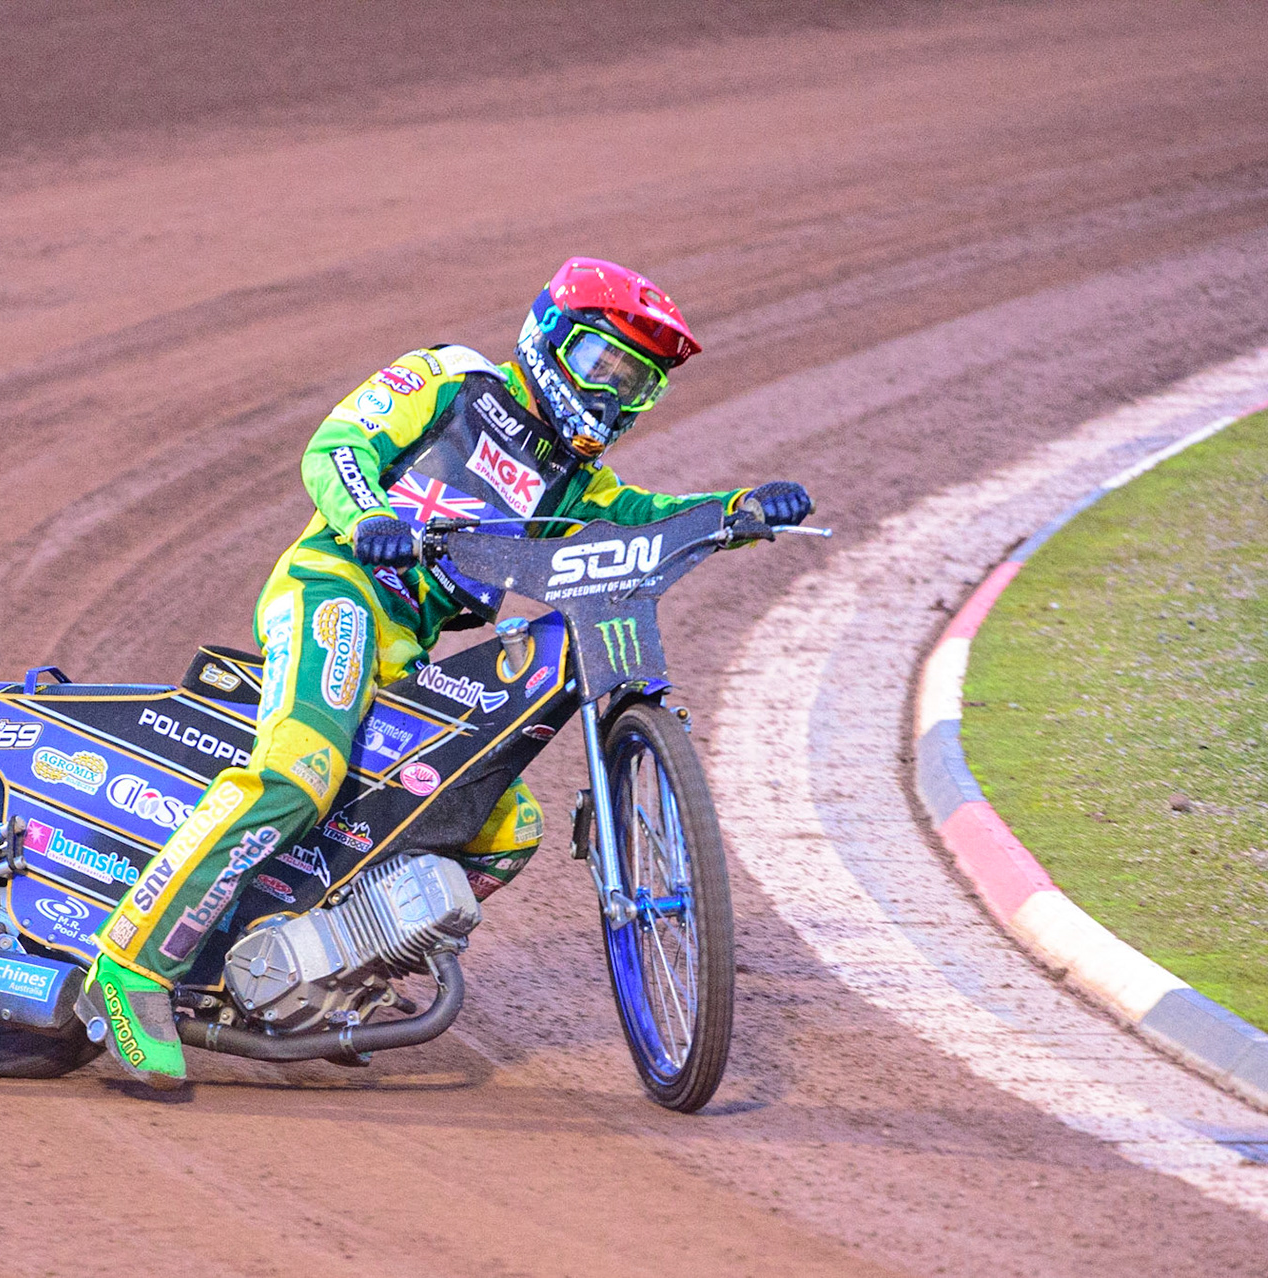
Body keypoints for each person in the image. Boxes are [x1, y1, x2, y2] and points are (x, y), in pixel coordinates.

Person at [75, 256, 813, 1087]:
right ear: (551, 340)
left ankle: (320, 965)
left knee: (505, 829)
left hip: (411, 656)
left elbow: (645, 519)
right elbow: (337, 445)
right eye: (602, 365)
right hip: (336, 593)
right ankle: (128, 967)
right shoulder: (452, 381)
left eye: (635, 383)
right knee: (300, 770)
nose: (612, 394)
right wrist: (369, 518)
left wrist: (736, 513)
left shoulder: (576, 483)